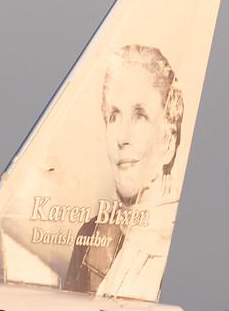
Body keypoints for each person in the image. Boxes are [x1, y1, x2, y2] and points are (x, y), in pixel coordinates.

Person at [64, 44, 184, 297]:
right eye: (114, 116)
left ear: (168, 142)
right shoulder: (92, 235)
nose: (123, 136)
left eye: (140, 115)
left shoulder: (171, 245)